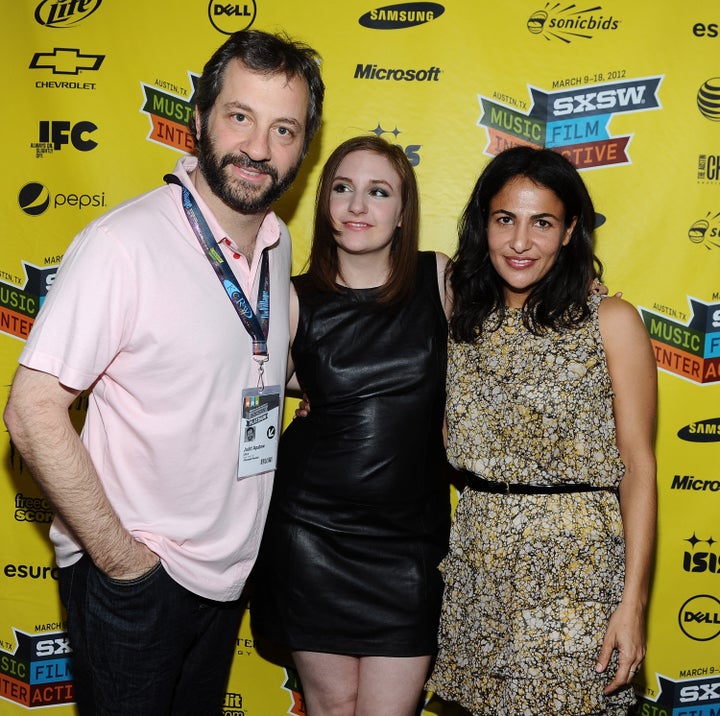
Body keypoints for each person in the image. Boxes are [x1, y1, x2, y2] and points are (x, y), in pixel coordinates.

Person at [3, 29, 324, 715]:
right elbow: (31, 412)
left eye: (285, 130)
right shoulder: (125, 245)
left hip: (227, 576)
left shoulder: (274, 242)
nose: (259, 150)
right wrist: (124, 564)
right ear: (200, 118)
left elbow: (242, 361)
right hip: (139, 582)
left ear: (304, 146)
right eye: (240, 117)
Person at [426, 146, 657, 716]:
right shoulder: (460, 315)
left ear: (570, 229)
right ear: (484, 223)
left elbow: (639, 467)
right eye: (505, 219)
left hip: (579, 571)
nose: (521, 241)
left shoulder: (612, 321)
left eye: (542, 222)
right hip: (480, 565)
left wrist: (633, 605)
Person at [250, 135, 452, 716]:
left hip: (410, 544)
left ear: (402, 210)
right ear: (325, 203)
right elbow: (250, 393)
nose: (358, 206)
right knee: (333, 708)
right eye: (343, 188)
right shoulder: (292, 299)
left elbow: (509, 342)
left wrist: (581, 297)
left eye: (378, 191)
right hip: (312, 533)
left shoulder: (439, 278)